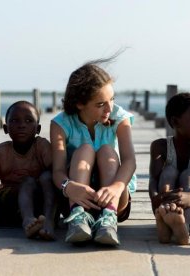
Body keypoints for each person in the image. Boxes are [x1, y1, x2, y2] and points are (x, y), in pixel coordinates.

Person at [50, 57, 137, 246]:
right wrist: (68, 186)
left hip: (114, 194)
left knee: (106, 151)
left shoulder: (119, 118)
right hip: (78, 195)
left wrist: (116, 188)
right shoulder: (60, 124)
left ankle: (108, 220)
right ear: (80, 104)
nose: (109, 108)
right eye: (100, 104)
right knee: (85, 149)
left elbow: (130, 161)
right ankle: (78, 218)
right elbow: (57, 171)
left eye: (112, 99)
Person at [0, 101, 55, 240]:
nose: (22, 125)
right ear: (5, 128)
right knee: (27, 182)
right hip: (9, 202)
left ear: (38, 129)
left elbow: (54, 176)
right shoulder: (0, 152)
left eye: (28, 121)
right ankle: (28, 221)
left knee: (45, 177)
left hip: (38, 202)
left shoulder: (42, 146)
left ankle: (47, 221)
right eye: (15, 121)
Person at [148, 93, 190, 245]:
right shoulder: (160, 146)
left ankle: (183, 225)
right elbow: (154, 178)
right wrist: (156, 196)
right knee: (169, 171)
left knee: (189, 174)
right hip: (163, 203)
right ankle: (165, 219)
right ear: (176, 122)